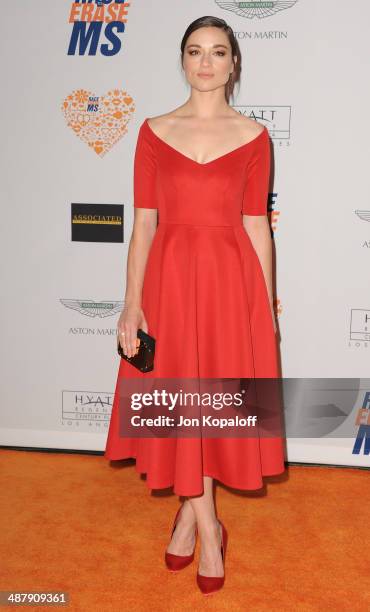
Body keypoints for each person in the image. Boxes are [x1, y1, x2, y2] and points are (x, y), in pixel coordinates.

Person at [104, 15, 286, 595]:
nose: (205, 62)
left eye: (218, 52)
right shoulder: (153, 131)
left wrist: (268, 307)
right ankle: (210, 527)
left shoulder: (256, 138)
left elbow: (257, 226)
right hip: (170, 283)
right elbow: (144, 225)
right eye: (194, 51)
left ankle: (190, 516)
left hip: (231, 285)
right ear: (182, 61)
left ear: (235, 64)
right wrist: (131, 304)